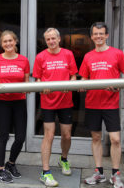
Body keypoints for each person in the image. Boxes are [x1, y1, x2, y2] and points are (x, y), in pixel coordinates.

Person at [79, 22, 124, 188]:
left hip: (111, 103)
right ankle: (99, 173)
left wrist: (119, 85)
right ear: (92, 36)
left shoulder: (117, 54)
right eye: (95, 34)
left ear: (107, 35)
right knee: (96, 137)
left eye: (101, 33)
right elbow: (83, 79)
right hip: (93, 103)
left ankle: (115, 174)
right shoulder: (88, 56)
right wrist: (82, 85)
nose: (98, 36)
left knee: (115, 139)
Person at [32, 28, 78, 187]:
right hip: (48, 102)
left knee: (66, 135)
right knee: (49, 135)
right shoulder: (40, 57)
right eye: (48, 39)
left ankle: (63, 159)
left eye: (53, 38)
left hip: (65, 101)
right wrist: (41, 87)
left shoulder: (68, 54)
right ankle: (45, 172)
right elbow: (37, 79)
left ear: (59, 39)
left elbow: (73, 76)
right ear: (45, 41)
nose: (51, 41)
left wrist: (70, 84)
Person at [0, 30, 30, 183]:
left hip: (19, 101)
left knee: (20, 137)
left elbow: (26, 81)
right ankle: (0, 170)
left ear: (15, 42)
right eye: (5, 41)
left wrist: (27, 88)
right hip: (2, 103)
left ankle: (11, 163)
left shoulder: (24, 60)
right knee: (4, 136)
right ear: (1, 44)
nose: (8, 44)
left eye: (10, 41)